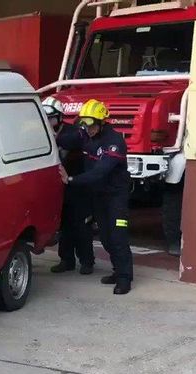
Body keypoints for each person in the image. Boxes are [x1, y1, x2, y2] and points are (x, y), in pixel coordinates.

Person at [57, 99, 134, 295]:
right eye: (85, 124)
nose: (87, 130)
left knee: (118, 237)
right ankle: (117, 271)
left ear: (101, 122)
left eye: (91, 125)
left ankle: (124, 278)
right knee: (106, 238)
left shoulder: (114, 142)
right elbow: (65, 140)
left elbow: (100, 172)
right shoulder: (86, 135)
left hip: (116, 197)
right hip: (99, 196)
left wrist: (71, 179)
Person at [43, 97, 95, 276]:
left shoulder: (73, 132)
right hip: (60, 187)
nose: (47, 121)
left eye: (50, 117)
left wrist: (52, 139)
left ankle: (87, 261)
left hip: (78, 186)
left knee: (81, 225)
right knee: (64, 225)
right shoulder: (43, 132)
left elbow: (72, 140)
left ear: (59, 117)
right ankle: (66, 260)